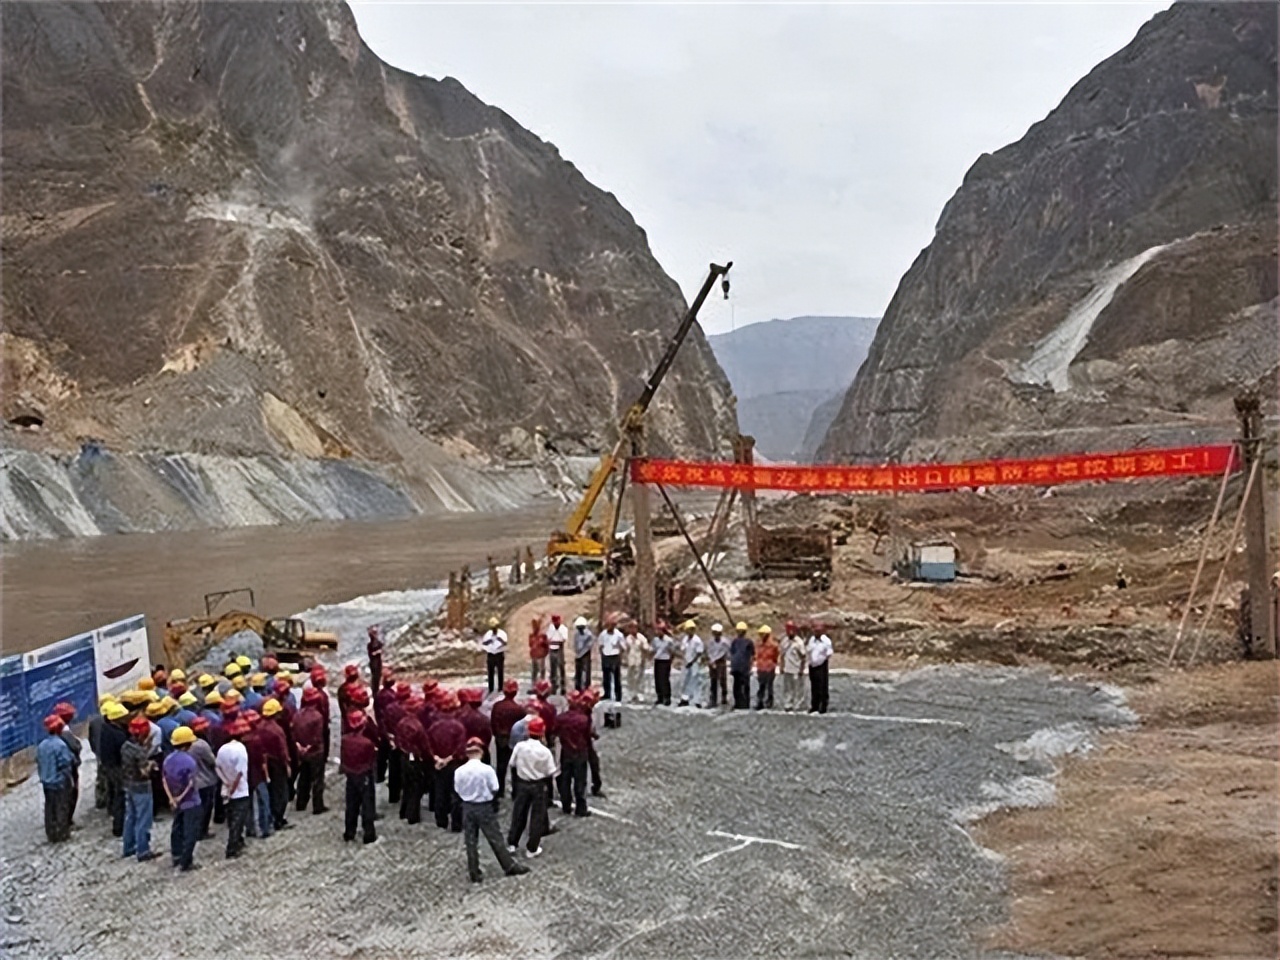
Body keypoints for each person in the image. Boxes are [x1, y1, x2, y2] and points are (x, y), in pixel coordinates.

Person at [454, 737, 529, 883]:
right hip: (484, 806)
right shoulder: (487, 770)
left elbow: (457, 789)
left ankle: (474, 871)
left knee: (470, 840)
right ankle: (508, 865)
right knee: (495, 837)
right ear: (481, 752)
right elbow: (495, 788)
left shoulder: (459, 771)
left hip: (467, 806)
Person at [506, 716, 556, 857]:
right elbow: (550, 771)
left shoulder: (520, 747)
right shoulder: (545, 752)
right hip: (538, 785)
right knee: (537, 816)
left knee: (518, 814)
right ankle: (532, 848)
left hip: (522, 783)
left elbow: (512, 763)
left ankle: (512, 843)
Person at [163, 726, 203, 871]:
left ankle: (176, 855)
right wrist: (180, 797)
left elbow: (164, 780)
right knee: (190, 831)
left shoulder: (168, 759)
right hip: (190, 801)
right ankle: (186, 862)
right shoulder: (190, 761)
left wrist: (172, 798)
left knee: (177, 828)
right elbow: (191, 784)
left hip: (175, 800)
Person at [426, 692, 467, 832]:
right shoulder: (458, 727)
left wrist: (437, 759)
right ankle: (456, 824)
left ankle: (441, 821)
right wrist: (448, 759)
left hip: (438, 765)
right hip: (454, 765)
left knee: (440, 792)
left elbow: (428, 746)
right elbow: (460, 749)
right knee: (456, 794)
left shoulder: (433, 727)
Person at [121, 714, 159, 862]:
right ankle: (143, 850)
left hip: (128, 783)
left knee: (130, 817)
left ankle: (128, 847)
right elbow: (144, 772)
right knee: (143, 819)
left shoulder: (125, 746)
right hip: (141, 786)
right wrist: (151, 764)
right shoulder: (139, 751)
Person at [340, 711, 378, 844]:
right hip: (364, 775)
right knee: (367, 804)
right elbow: (371, 761)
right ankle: (369, 834)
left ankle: (349, 832)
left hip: (351, 775)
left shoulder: (345, 740)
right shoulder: (367, 743)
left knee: (351, 804)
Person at [216, 719, 251, 858]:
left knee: (231, 819)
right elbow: (240, 773)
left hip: (226, 788)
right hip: (240, 790)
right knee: (238, 820)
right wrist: (233, 787)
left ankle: (239, 841)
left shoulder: (222, 749)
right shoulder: (241, 750)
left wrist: (226, 782)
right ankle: (232, 848)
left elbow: (217, 767)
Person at [37, 715, 75, 843]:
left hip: (46, 781)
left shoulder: (42, 745)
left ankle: (51, 832)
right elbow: (66, 762)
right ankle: (62, 832)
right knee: (61, 806)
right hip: (59, 781)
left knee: (49, 807)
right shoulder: (60, 745)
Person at [555, 691, 592, 817]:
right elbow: (587, 736)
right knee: (580, 781)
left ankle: (566, 805)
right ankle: (580, 807)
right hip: (580, 752)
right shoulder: (583, 719)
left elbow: (555, 731)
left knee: (565, 779)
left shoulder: (561, 718)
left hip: (566, 751)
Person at [259, 698, 293, 831]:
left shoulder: (259, 727)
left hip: (265, 763)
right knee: (281, 792)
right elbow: (283, 750)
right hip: (277, 764)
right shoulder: (277, 730)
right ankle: (278, 819)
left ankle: (271, 816)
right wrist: (287, 764)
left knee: (271, 791)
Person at [294, 687, 328, 815]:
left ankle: (301, 803)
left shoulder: (297, 715)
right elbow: (317, 737)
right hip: (315, 752)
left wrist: (299, 747)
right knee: (317, 779)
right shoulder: (317, 717)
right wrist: (309, 747)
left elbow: (293, 733)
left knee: (303, 777)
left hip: (301, 751)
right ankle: (317, 805)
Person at [99, 701, 130, 837]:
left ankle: (115, 816)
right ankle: (119, 825)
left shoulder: (105, 729)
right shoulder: (118, 735)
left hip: (109, 766)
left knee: (114, 793)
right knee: (120, 795)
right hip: (117, 767)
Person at [489, 680, 524, 799]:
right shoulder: (519, 709)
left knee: (501, 766)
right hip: (514, 741)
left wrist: (497, 735)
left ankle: (500, 790)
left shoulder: (497, 707)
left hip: (500, 740)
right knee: (515, 766)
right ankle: (515, 792)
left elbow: (493, 723)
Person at [395, 704, 428, 824]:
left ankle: (403, 811)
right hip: (415, 759)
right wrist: (427, 757)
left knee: (406, 785)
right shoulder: (418, 726)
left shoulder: (401, 723)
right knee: (415, 787)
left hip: (404, 757)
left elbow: (397, 740)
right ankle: (412, 815)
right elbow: (424, 745)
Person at [188, 717, 219, 840]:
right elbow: (212, 761)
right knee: (206, 808)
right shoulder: (202, 745)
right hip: (206, 780)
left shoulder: (187, 744)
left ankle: (194, 830)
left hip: (193, 781)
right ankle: (202, 831)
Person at [52, 702, 82, 824]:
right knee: (70, 794)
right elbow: (75, 746)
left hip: (62, 768)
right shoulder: (64, 731)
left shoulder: (56, 729)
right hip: (69, 767)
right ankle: (66, 821)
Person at [597, 615, 625, 708]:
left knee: (616, 677)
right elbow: (600, 645)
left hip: (615, 656)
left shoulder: (619, 635)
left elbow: (623, 647)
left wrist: (620, 656)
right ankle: (607, 694)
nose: (611, 627)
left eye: (613, 625)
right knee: (606, 676)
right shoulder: (603, 634)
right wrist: (602, 655)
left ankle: (618, 695)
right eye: (609, 625)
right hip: (606, 656)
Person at [678, 620, 706, 708]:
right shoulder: (685, 639)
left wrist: (692, 662)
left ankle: (697, 700)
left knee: (695, 681)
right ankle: (685, 699)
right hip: (686, 663)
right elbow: (683, 650)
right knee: (685, 681)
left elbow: (699, 653)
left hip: (695, 663)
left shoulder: (697, 640)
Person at [780, 622, 808, 712]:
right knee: (787, 688)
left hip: (796, 668)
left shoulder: (799, 642)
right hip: (787, 668)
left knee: (798, 688)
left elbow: (803, 656)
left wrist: (801, 669)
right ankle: (788, 704)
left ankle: (799, 704)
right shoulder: (784, 641)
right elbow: (782, 655)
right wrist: (781, 666)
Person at [807, 623, 834, 714]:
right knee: (814, 686)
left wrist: (821, 660)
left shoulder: (826, 641)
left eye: (818, 631)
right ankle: (814, 705)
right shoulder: (811, 640)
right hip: (812, 665)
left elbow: (829, 653)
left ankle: (823, 706)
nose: (816, 633)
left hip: (821, 665)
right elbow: (809, 650)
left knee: (822, 686)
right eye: (815, 631)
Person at [729, 622, 755, 710]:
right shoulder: (734, 642)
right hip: (736, 667)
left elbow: (752, 655)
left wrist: (750, 666)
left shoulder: (749, 642)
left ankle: (746, 703)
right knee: (736, 686)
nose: (740, 632)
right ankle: (737, 703)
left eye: (741, 631)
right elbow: (732, 653)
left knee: (745, 686)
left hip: (745, 667)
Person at [622, 621, 650, 703]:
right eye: (631, 628)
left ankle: (640, 694)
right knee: (630, 678)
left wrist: (643, 649)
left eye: (634, 627)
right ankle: (631, 694)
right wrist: (624, 659)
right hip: (631, 661)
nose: (633, 629)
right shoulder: (628, 638)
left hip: (639, 661)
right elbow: (625, 649)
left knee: (639, 678)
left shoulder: (641, 638)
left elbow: (646, 648)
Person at [755, 624, 780, 710]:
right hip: (761, 667)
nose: (761, 636)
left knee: (769, 686)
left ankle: (769, 701)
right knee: (761, 685)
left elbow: (776, 656)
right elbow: (757, 655)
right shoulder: (759, 644)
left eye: (762, 634)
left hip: (770, 668)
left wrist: (773, 664)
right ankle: (760, 701)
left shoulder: (773, 645)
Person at [480, 617, 508, 693]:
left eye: (495, 627)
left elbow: (505, 643)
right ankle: (491, 688)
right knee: (490, 672)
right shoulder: (488, 634)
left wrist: (500, 640)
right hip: (491, 654)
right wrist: (489, 642)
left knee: (500, 671)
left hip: (499, 654)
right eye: (492, 628)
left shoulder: (502, 634)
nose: (494, 629)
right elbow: (484, 643)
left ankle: (500, 687)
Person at [650, 621, 675, 706]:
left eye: (660, 630)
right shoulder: (655, 640)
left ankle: (667, 697)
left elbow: (672, 651)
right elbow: (653, 650)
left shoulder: (668, 640)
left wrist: (670, 661)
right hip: (657, 660)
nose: (658, 632)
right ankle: (659, 697)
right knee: (657, 679)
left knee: (664, 679)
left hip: (665, 661)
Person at [543, 613, 568, 695]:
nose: (556, 623)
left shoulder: (563, 628)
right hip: (552, 648)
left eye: (557, 621)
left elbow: (564, 639)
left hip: (559, 648)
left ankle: (563, 686)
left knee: (561, 667)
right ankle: (553, 686)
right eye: (554, 621)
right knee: (553, 668)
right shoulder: (551, 628)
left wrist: (557, 632)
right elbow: (548, 638)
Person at [707, 624, 730, 708]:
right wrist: (711, 661)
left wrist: (715, 660)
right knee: (713, 681)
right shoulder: (711, 641)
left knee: (722, 680)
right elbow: (709, 651)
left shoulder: (725, 642)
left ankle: (724, 697)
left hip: (721, 662)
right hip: (712, 662)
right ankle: (713, 699)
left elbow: (723, 652)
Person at [572, 616, 595, 691]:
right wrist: (577, 653)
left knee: (586, 671)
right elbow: (575, 644)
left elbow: (588, 646)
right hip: (578, 655)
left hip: (585, 655)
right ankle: (577, 688)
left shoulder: (589, 635)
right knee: (578, 671)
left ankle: (586, 688)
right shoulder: (576, 634)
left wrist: (581, 654)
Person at [527, 618, 549, 690]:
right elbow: (530, 644)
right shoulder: (531, 636)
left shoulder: (543, 636)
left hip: (541, 655)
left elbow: (546, 645)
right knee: (534, 671)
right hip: (534, 655)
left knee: (542, 671)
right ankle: (534, 686)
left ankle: (542, 686)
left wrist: (545, 653)